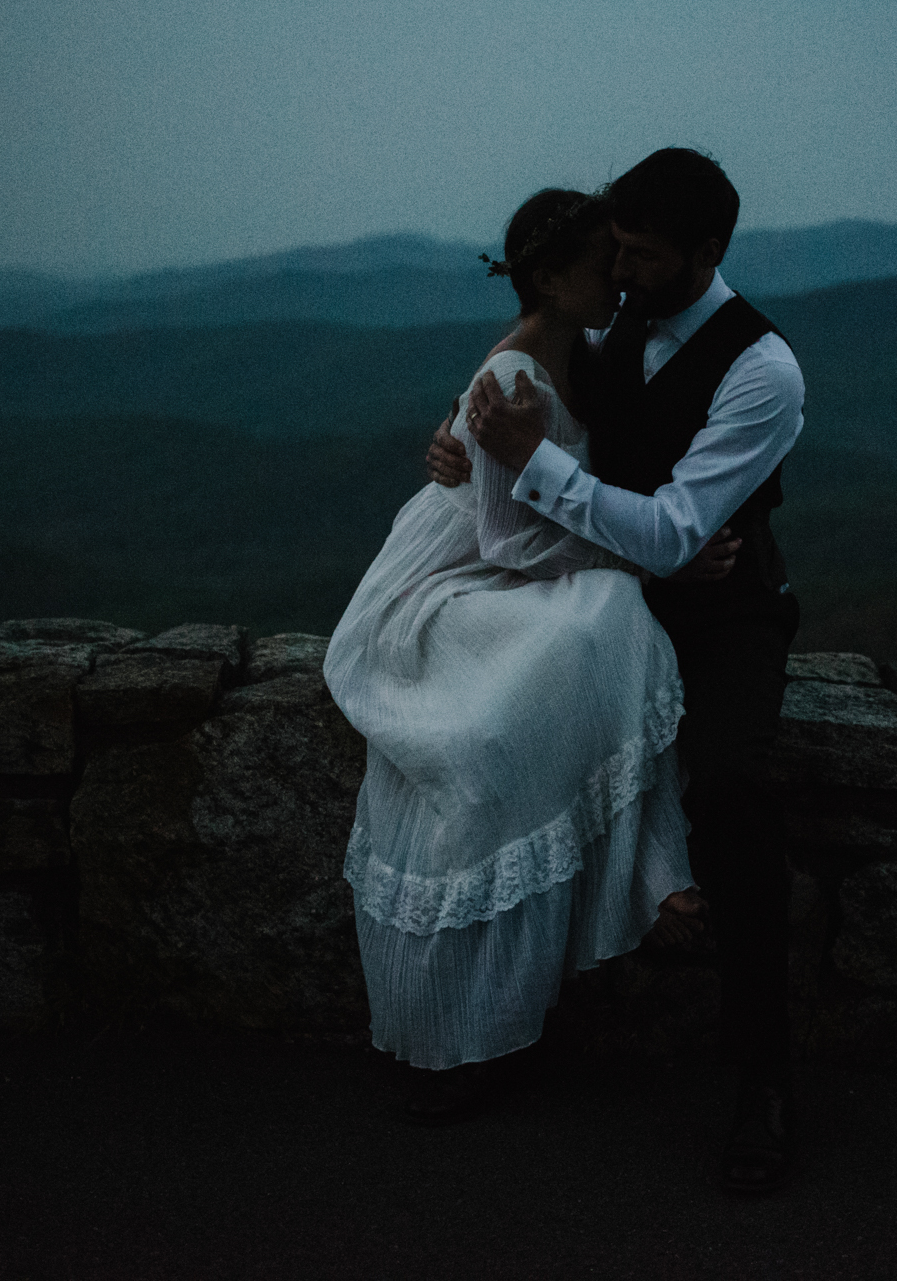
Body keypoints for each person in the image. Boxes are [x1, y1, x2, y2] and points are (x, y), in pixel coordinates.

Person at [430, 147, 806, 1194]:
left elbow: (680, 529)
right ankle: (492, 1032)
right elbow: (533, 367)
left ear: (708, 250)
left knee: (730, 786)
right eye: (618, 253)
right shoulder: (620, 319)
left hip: (723, 610)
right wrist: (461, 426)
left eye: (642, 256)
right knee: (499, 739)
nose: (623, 274)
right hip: (612, 591)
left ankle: (762, 1076)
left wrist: (529, 460)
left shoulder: (761, 369)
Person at [323, 187, 709, 1128]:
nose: (619, 283)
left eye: (626, 263)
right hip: (454, 577)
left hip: (520, 559)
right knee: (600, 628)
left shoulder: (586, 352)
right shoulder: (515, 379)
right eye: (600, 266)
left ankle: (661, 874)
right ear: (547, 277)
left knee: (612, 626)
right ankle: (656, 882)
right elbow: (502, 538)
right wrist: (642, 560)